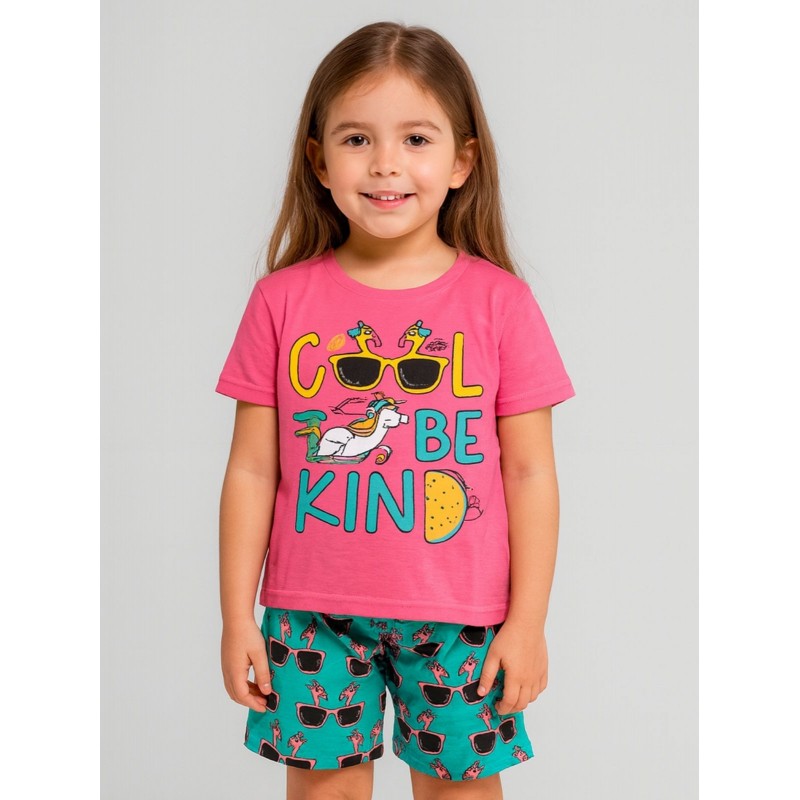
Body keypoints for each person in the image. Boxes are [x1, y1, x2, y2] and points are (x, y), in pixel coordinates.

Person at [215, 20, 575, 800]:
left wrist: (528, 620)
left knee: (459, 791)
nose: (385, 163)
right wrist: (236, 615)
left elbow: (529, 472)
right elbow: (251, 470)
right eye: (356, 139)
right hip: (310, 615)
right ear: (318, 160)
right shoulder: (281, 301)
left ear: (462, 160)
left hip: (462, 616)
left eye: (416, 138)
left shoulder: (501, 305)